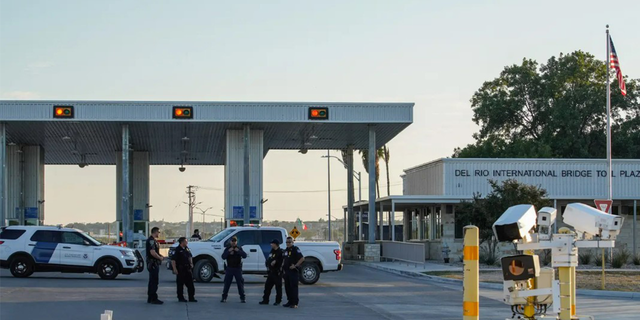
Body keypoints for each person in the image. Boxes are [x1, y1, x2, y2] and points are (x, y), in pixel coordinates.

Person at [221, 236, 247, 303]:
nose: (233, 242)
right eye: (232, 241)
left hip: (237, 268)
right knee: (227, 284)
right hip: (229, 268)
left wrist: (238, 251)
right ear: (230, 242)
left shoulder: (239, 248)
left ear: (236, 242)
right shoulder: (228, 248)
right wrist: (228, 252)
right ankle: (224, 297)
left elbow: (245, 255)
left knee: (240, 284)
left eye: (235, 241)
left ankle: (242, 298)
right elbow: (223, 257)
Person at [171, 237, 197, 303]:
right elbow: (173, 260)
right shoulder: (177, 250)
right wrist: (174, 269)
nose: (187, 243)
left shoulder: (187, 249)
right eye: (185, 241)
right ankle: (180, 298)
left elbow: (190, 256)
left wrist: (191, 264)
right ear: (182, 242)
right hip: (180, 269)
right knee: (180, 285)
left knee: (190, 284)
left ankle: (191, 297)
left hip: (187, 269)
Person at [259, 239, 283, 306]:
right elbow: (269, 259)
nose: (271, 245)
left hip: (277, 273)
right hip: (271, 272)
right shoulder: (272, 251)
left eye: (272, 243)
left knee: (278, 288)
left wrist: (276, 262)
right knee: (267, 287)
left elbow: (282, 261)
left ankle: (278, 301)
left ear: (275, 244)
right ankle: (265, 300)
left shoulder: (280, 252)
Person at [282, 236, 304, 308]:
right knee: (287, 287)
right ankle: (290, 301)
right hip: (287, 271)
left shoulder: (295, 249)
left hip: (293, 271)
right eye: (287, 242)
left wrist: (295, 265)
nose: (288, 243)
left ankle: (294, 303)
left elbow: (302, 258)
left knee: (293, 287)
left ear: (292, 242)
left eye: (289, 242)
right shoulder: (286, 250)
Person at [146, 227, 164, 304]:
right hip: (153, 263)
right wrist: (160, 258)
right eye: (158, 232)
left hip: (154, 263)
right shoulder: (151, 241)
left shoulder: (154, 241)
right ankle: (153, 298)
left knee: (152, 281)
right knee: (154, 281)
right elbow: (152, 252)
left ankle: (150, 297)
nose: (159, 234)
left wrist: (160, 255)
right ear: (155, 232)